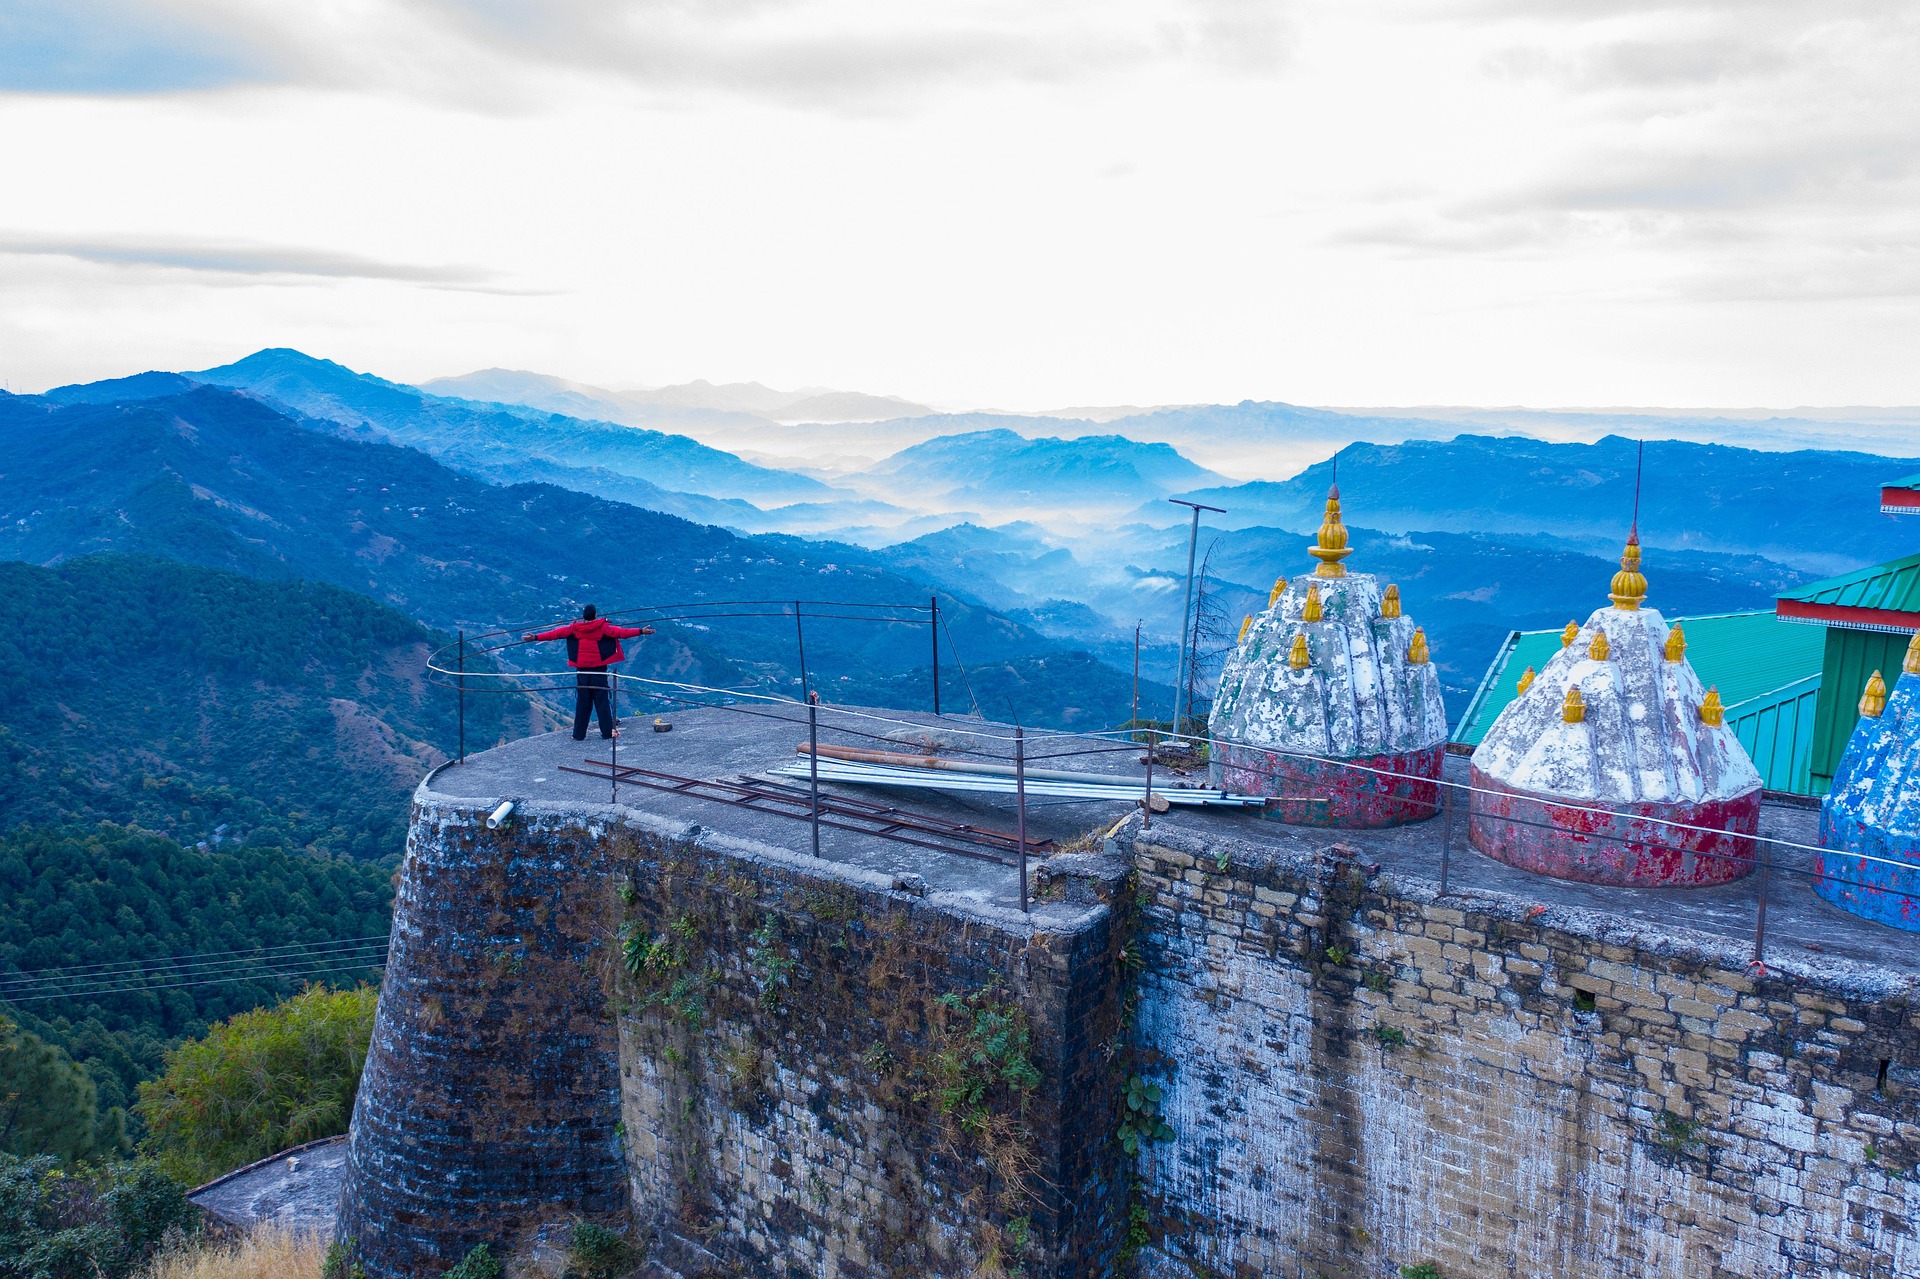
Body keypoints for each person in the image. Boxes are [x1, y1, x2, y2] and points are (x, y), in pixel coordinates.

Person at [522, 605, 654, 741]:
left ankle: (578, 735)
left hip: (582, 671)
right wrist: (641, 631)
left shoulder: (574, 628)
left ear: (584, 616)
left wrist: (536, 637)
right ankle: (608, 732)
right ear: (595, 615)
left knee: (583, 702)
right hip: (599, 671)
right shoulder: (603, 627)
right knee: (602, 701)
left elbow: (555, 634)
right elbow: (622, 632)